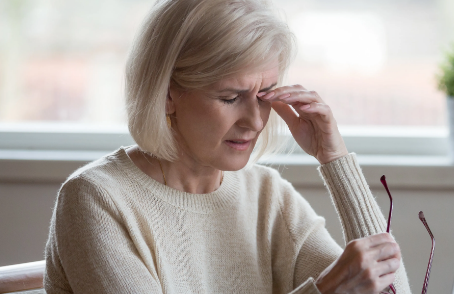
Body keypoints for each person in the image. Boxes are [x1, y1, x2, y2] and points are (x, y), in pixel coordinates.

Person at [44, 0, 411, 293]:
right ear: (169, 94)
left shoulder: (267, 197)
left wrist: (335, 159)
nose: (255, 120)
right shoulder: (95, 201)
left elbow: (390, 290)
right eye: (231, 97)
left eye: (264, 96)